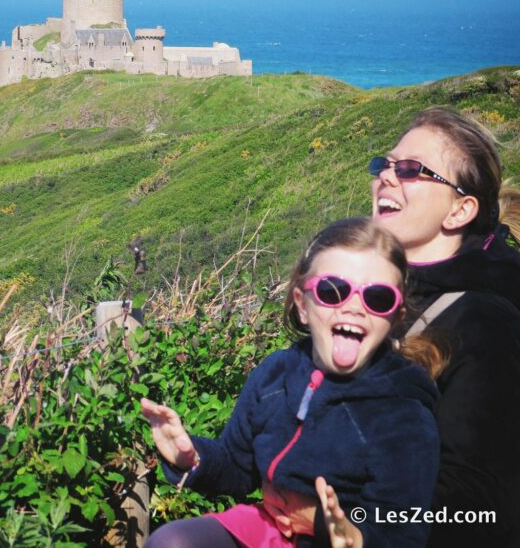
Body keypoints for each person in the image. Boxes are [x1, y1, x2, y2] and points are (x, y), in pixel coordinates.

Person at [142, 218, 441, 547]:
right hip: (269, 527)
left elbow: (403, 527)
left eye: (378, 298)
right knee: (173, 542)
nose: (355, 307)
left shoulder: (401, 412)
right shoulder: (276, 374)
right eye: (333, 291)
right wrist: (192, 457)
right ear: (302, 304)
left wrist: (352, 534)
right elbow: (238, 468)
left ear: (396, 318)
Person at [370, 106, 520, 547]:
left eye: (412, 170)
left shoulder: (484, 324)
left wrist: (342, 518)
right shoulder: (377, 294)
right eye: (385, 164)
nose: (387, 176)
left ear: (460, 211)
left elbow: (481, 508)